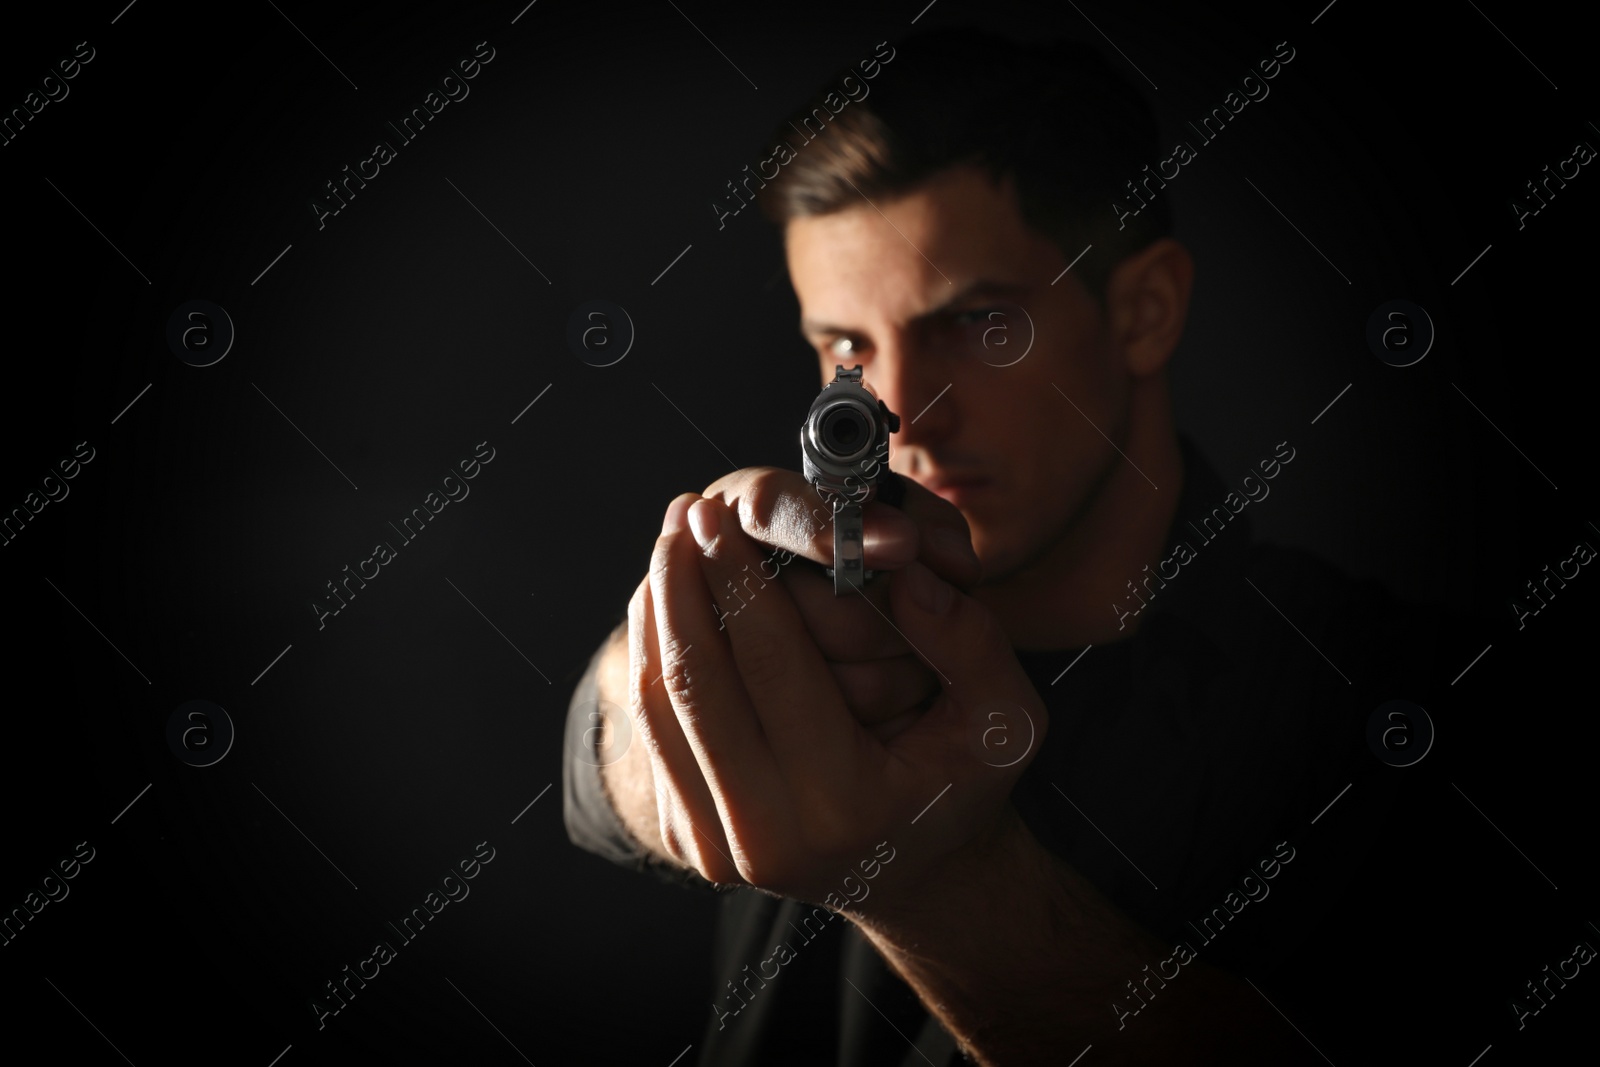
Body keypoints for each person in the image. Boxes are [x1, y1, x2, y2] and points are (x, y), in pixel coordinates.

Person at [564, 27, 1444, 1066]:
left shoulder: (1376, 702)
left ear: (1144, 309)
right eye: (847, 346)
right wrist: (683, 646)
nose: (900, 413)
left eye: (979, 325)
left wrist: (933, 887)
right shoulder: (823, 622)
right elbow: (586, 765)